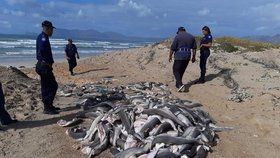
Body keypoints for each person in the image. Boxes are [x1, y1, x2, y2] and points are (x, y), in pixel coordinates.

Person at [35, 20, 60, 115]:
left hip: (43, 65)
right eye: (51, 29)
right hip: (44, 66)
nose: (52, 32)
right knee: (52, 86)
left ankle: (49, 105)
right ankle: (47, 107)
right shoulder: (43, 38)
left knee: (47, 86)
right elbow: (42, 51)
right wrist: (47, 63)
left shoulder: (42, 36)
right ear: (47, 28)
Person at [169, 27, 197, 92]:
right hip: (188, 55)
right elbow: (194, 48)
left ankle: (180, 84)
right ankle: (178, 84)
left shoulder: (178, 36)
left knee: (175, 69)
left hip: (179, 54)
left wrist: (170, 56)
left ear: (179, 31)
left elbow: (173, 47)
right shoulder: (191, 36)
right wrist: (194, 57)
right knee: (182, 70)